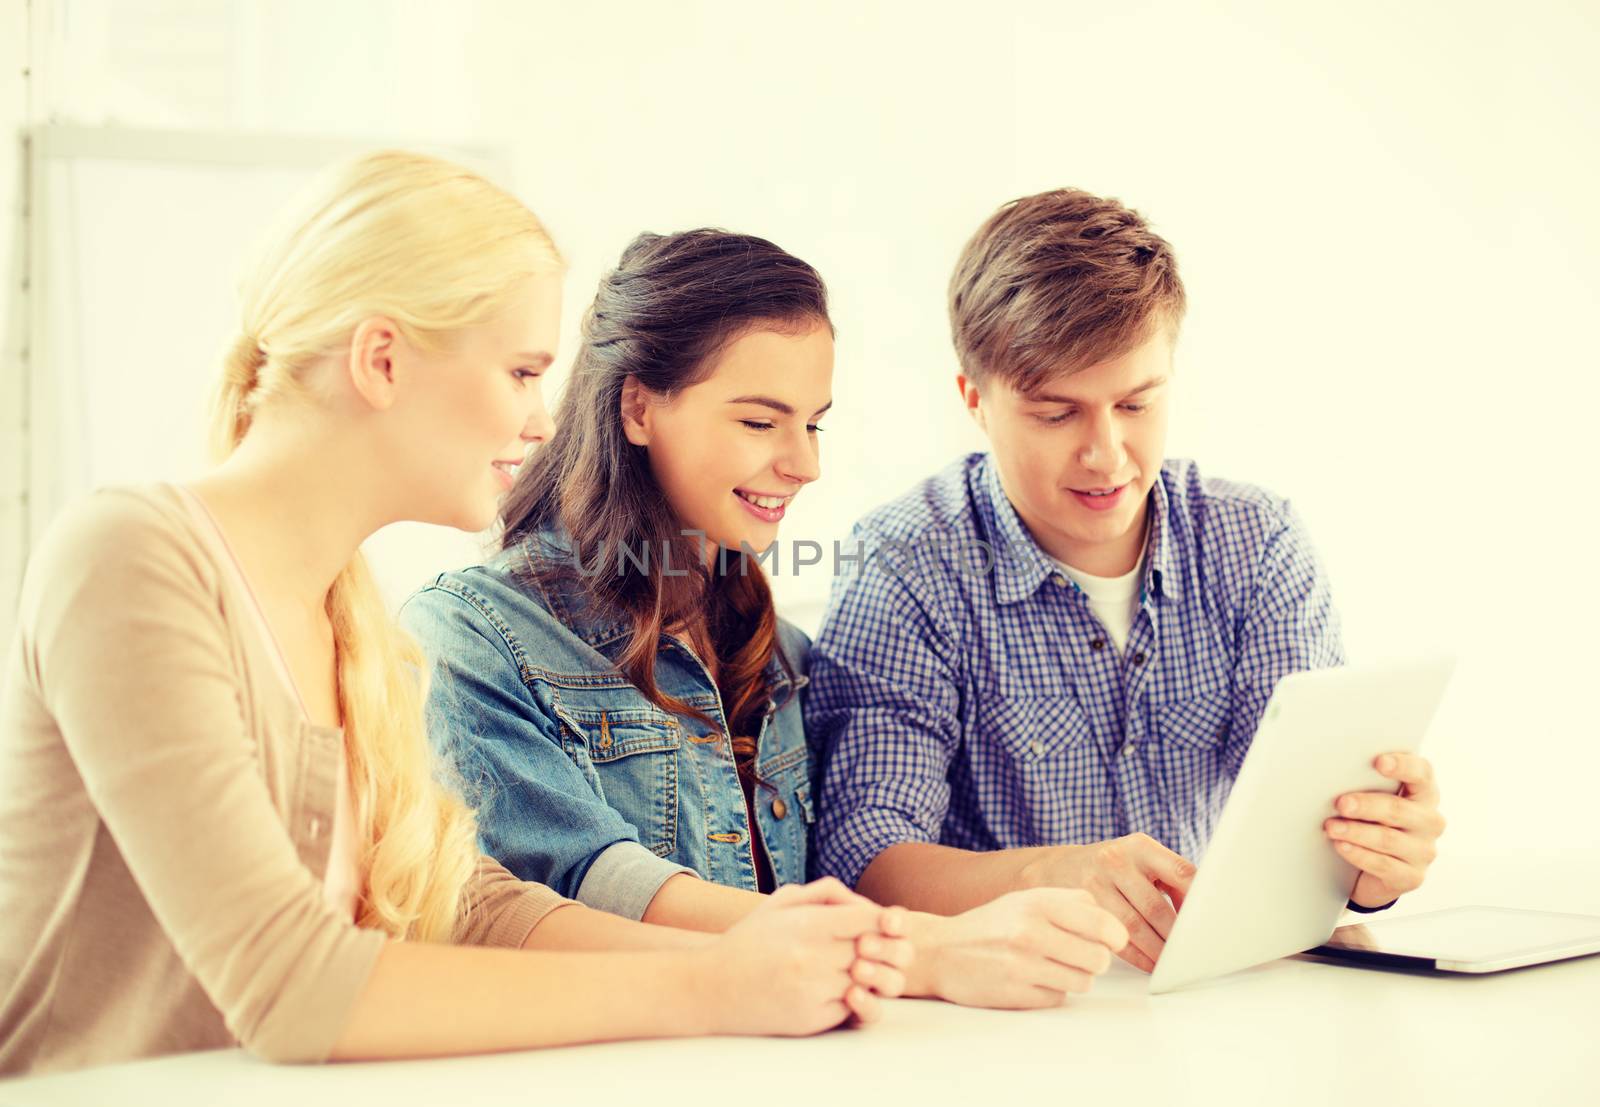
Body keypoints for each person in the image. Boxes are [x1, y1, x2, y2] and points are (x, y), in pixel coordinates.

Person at [0, 152, 913, 1077]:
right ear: (383, 360)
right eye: (522, 372)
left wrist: (754, 959)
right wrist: (712, 987)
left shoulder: (353, 621)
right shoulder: (130, 557)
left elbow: (467, 902)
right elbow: (293, 985)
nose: (545, 422)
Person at [401, 228, 1130, 1011]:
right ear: (638, 407)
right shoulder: (470, 635)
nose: (805, 463)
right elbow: (585, 881)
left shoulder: (780, 657)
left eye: (812, 423)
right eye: (760, 422)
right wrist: (911, 951)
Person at [805, 188, 1447, 973]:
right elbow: (862, 856)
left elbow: (1304, 827)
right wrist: (1046, 874)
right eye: (1055, 414)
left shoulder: (1257, 544)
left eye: (1137, 403)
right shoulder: (905, 564)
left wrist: (1373, 866)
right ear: (974, 399)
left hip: (1221, 995)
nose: (1107, 454)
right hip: (1001, 1020)